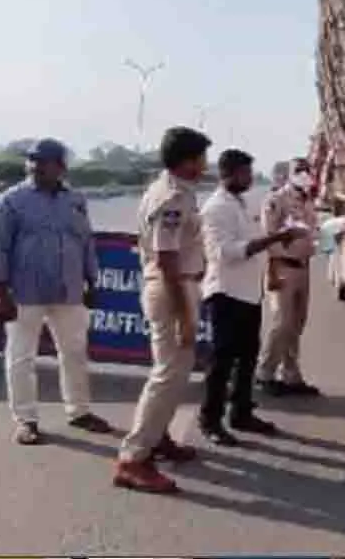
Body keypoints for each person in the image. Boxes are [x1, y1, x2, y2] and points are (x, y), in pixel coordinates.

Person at [0, 138, 113, 445]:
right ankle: (26, 419)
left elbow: (86, 243)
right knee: (21, 357)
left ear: (61, 167)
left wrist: (92, 282)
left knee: (75, 353)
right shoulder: (11, 201)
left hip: (68, 290)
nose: (35, 167)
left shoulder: (75, 201)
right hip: (24, 292)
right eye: (32, 161)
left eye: (43, 161)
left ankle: (79, 410)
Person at [114, 126, 211, 494]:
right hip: (172, 289)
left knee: (177, 372)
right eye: (201, 157)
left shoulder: (173, 191)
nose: (204, 165)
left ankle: (158, 438)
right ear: (187, 160)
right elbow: (168, 258)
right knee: (168, 374)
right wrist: (185, 314)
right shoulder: (171, 198)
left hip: (178, 285)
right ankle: (134, 457)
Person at [197, 148, 303, 446]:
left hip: (248, 294)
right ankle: (210, 419)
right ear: (227, 173)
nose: (248, 178)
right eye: (244, 173)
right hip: (226, 293)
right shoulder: (216, 208)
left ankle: (241, 412)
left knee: (247, 359)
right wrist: (276, 239)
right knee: (221, 363)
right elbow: (225, 252)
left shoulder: (243, 203)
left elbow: (252, 244)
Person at [256, 157, 321, 397]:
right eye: (298, 170)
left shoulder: (307, 202)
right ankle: (265, 373)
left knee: (296, 325)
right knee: (281, 324)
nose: (304, 174)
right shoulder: (275, 201)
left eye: (307, 170)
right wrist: (272, 271)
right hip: (282, 268)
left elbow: (312, 233)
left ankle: (291, 375)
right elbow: (269, 237)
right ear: (289, 174)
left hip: (303, 268)